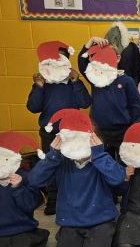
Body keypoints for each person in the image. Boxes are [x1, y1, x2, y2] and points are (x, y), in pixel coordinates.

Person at [28, 109, 125, 247]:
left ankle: (108, 234)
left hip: (100, 221)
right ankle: (69, 237)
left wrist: (99, 155)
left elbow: (118, 178)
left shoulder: (101, 160)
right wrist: (53, 156)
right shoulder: (61, 162)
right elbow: (35, 180)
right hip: (71, 221)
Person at [26, 40, 91, 215]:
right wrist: (38, 87)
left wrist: (77, 82)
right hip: (50, 133)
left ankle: (75, 197)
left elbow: (85, 102)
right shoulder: (43, 83)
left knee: (74, 164)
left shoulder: (72, 82)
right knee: (51, 165)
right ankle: (53, 200)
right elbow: (33, 107)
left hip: (73, 133)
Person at [78, 40, 140, 160]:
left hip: (123, 130)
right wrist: (89, 43)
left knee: (126, 160)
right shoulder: (95, 78)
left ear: (117, 58)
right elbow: (82, 63)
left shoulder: (126, 81)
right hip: (100, 130)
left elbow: (136, 105)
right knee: (102, 160)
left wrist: (132, 125)